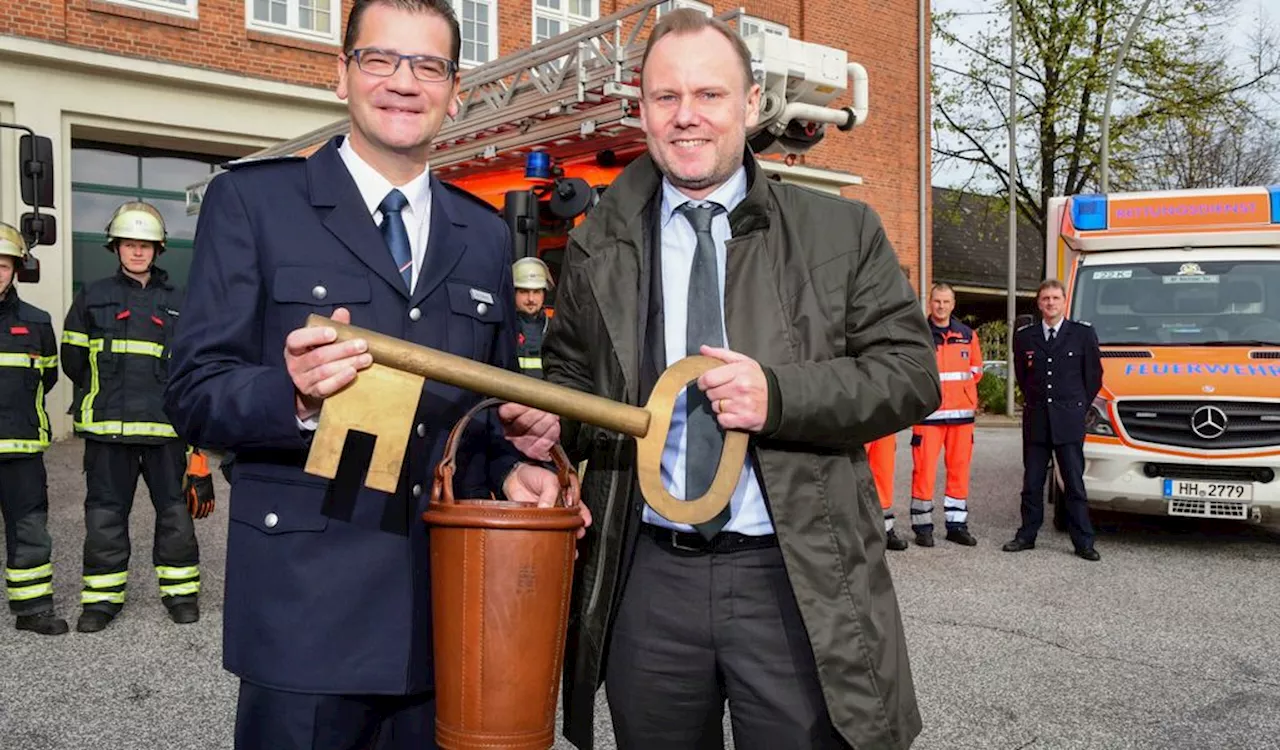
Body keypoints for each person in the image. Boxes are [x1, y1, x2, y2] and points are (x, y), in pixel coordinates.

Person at [500, 9, 941, 749]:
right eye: (666, 97)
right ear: (641, 111)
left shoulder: (843, 232)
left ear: (751, 102)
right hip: (647, 579)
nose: (687, 117)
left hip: (794, 579)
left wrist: (781, 396)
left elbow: (909, 373)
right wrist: (548, 435)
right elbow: (577, 383)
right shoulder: (597, 243)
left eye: (709, 95)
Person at [163, 2, 577, 748]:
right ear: (341, 74)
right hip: (305, 614)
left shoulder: (483, 234)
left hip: (442, 610)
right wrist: (291, 394)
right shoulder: (255, 203)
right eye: (380, 59)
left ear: (456, 90)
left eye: (429, 65)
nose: (404, 82)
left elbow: (480, 413)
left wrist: (515, 468)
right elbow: (194, 390)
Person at [60, 201, 201, 633]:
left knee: (175, 516)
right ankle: (102, 601)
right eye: (129, 244)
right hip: (108, 431)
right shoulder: (93, 295)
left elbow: (194, 364)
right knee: (104, 516)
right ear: (115, 247)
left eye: (145, 245)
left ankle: (180, 593)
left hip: (166, 432)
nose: (137, 252)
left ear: (158, 250)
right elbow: (72, 360)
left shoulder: (182, 300)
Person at [0, 223, 68, 636]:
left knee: (28, 529)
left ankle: (33, 609)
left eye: (3, 265)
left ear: (15, 269)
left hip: (21, 449)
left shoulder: (37, 322)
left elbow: (49, 376)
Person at [1003, 279, 1103, 561]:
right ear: (1038, 303)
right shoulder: (1026, 336)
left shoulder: (1082, 334)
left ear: (1064, 301)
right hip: (1037, 419)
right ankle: (1027, 535)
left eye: (1055, 298)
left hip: (1069, 420)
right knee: (1032, 483)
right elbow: (1023, 376)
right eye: (1045, 298)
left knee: (1073, 483)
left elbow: (1093, 376)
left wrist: (1077, 405)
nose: (1050, 303)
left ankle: (1083, 541)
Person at [908, 283, 981, 547]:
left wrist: (963, 393)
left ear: (953, 304)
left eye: (946, 302)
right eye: (937, 301)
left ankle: (956, 525)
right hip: (928, 417)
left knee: (959, 472)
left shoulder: (967, 335)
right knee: (924, 472)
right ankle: (922, 527)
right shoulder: (918, 335)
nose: (941, 306)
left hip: (961, 418)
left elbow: (976, 370)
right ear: (930, 303)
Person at [513, 256, 552, 379]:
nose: (531, 299)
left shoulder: (554, 329)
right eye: (524, 291)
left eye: (536, 292)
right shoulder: (503, 328)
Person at [867, 433, 908, 551]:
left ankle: (885, 529)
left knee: (883, 475)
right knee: (854, 472)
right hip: (857, 420)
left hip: (884, 424)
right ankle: (854, 532)